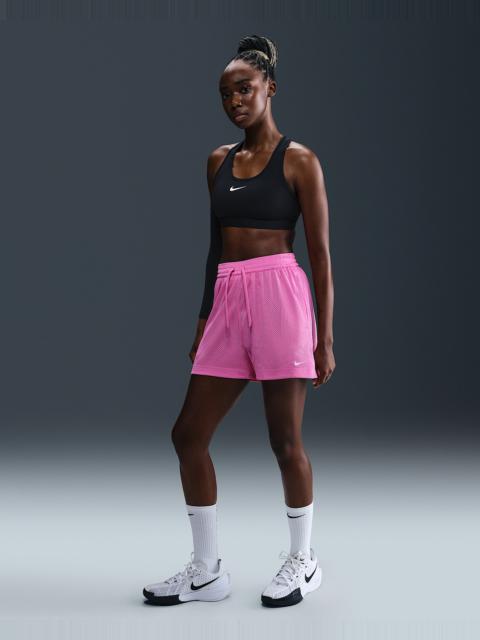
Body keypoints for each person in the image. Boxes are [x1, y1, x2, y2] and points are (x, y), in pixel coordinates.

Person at [143, 34, 335, 608]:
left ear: (270, 87)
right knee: (188, 435)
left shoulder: (299, 161)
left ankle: (303, 560)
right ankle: (206, 572)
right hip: (228, 299)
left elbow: (321, 256)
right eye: (226, 94)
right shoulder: (217, 162)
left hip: (280, 297)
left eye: (245, 89)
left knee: (285, 441)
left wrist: (326, 337)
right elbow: (214, 247)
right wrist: (204, 317)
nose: (235, 101)